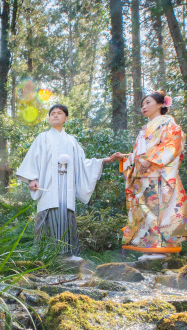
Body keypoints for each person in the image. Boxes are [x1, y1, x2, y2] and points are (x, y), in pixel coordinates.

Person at [16, 104, 120, 259]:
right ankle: (44, 256)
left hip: (66, 188)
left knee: (65, 215)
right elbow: (32, 159)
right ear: (49, 119)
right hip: (48, 186)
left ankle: (67, 256)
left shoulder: (72, 141)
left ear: (66, 118)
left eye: (59, 113)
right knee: (48, 213)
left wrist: (103, 160)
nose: (55, 115)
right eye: (52, 113)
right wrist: (32, 178)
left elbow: (82, 163)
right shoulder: (42, 138)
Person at [112, 91, 187, 260]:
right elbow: (140, 155)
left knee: (159, 210)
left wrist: (151, 160)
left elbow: (172, 145)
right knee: (147, 211)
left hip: (158, 174)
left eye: (148, 102)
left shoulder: (168, 124)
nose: (144, 106)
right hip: (143, 176)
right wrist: (127, 158)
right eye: (142, 104)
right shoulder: (144, 129)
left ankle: (162, 249)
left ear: (160, 104)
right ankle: (151, 248)